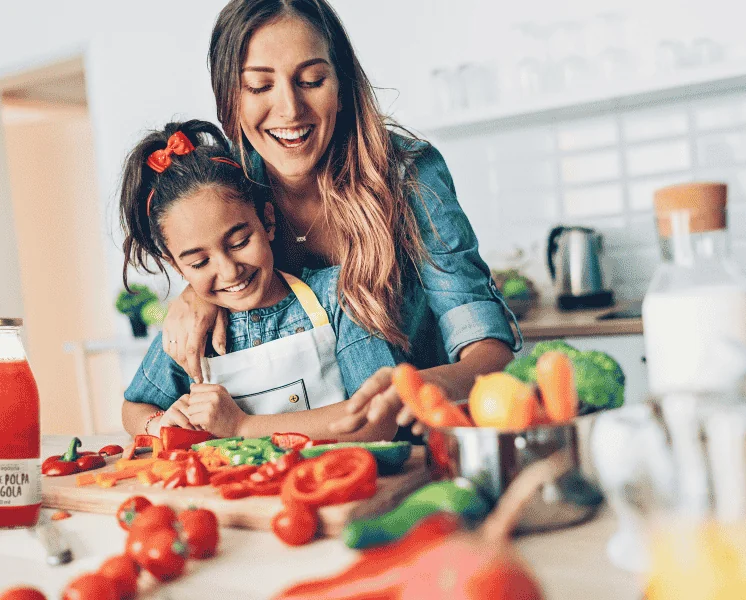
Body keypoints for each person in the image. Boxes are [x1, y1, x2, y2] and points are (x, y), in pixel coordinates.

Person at [161, 0, 522, 436]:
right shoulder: (231, 188)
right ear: (228, 97)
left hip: (424, 443)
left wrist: (410, 384)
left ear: (342, 84)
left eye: (311, 80)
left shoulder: (409, 174)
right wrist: (196, 291)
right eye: (259, 86)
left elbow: (489, 352)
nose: (290, 109)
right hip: (291, 459)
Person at [119, 119, 402, 441]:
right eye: (199, 262)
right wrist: (159, 423)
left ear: (267, 221)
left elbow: (378, 418)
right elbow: (134, 406)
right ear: (178, 267)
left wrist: (241, 427)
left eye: (239, 243)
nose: (229, 271)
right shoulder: (192, 333)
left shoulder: (339, 296)